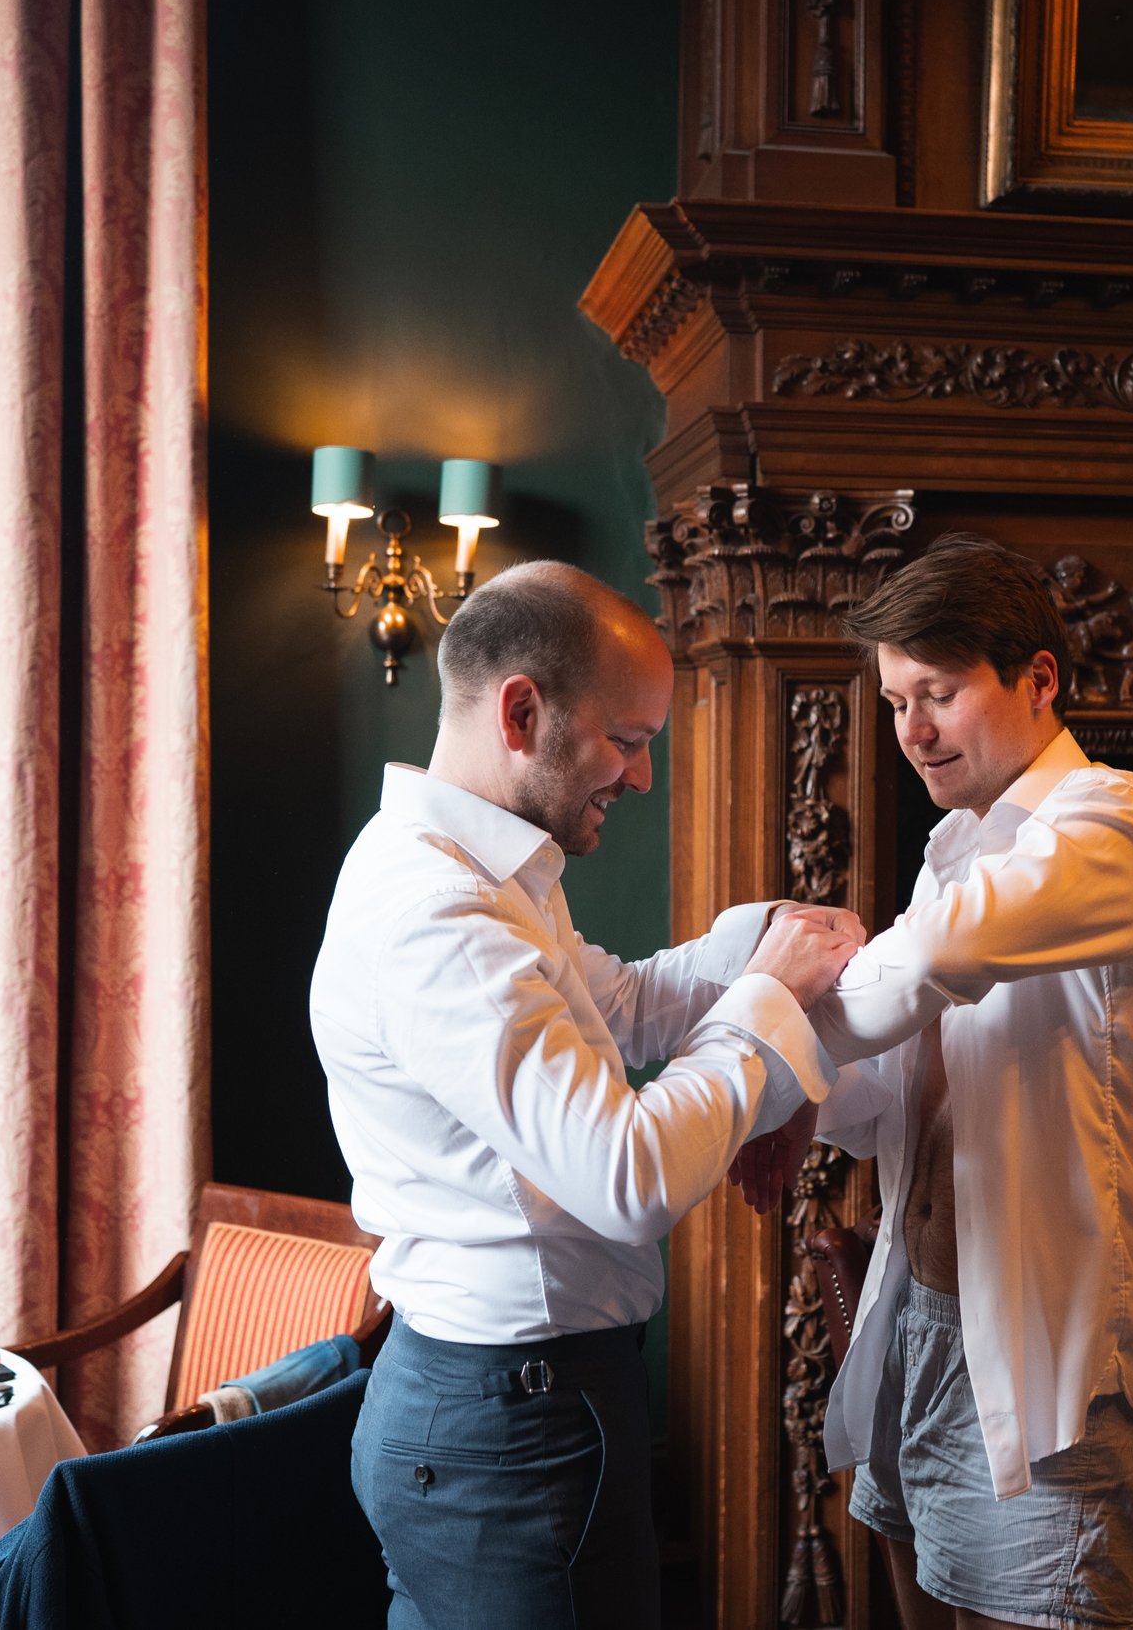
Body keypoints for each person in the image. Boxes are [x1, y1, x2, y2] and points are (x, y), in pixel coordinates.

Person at [311, 561, 863, 1630]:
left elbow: (626, 1005)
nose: (643, 777)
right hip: (512, 1422)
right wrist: (765, 1007)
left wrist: (772, 941)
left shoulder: (476, 879)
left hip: (503, 1408)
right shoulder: (442, 914)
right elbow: (626, 1173)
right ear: (523, 710)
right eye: (630, 738)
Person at [733, 534, 1133, 1630]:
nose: (912, 730)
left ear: (1037, 678)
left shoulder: (1116, 821)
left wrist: (774, 1049)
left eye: (937, 692)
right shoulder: (951, 850)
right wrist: (810, 1097)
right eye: (896, 699)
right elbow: (901, 1087)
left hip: (1049, 1357)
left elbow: (934, 960)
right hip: (919, 1320)